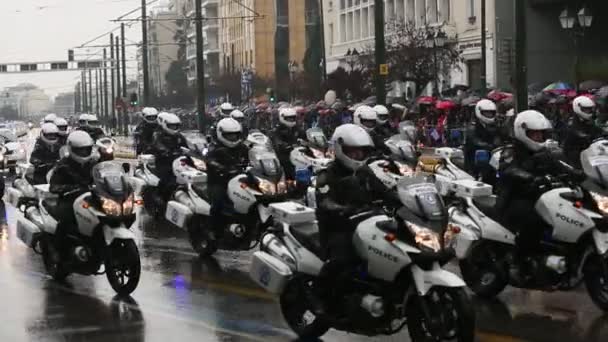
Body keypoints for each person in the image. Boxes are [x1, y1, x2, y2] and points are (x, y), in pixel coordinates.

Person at [313, 124, 393, 314]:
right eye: (353, 152)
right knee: (342, 259)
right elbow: (324, 201)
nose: (358, 156)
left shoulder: (365, 172)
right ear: (340, 149)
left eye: (361, 152)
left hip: (367, 223)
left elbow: (385, 191)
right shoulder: (327, 174)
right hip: (338, 228)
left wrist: (405, 201)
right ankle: (320, 296)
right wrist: (341, 208)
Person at [496, 110, 584, 282]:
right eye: (534, 134)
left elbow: (562, 166)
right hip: (514, 199)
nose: (538, 138)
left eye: (540, 134)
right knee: (533, 220)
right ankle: (519, 261)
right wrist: (529, 177)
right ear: (523, 132)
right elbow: (508, 170)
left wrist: (579, 174)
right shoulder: (511, 151)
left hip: (540, 197)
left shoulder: (546, 152)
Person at [49, 131, 97, 254]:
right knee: (66, 220)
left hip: (91, 198)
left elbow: (103, 175)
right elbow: (53, 187)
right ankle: (58, 251)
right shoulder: (63, 165)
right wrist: (71, 188)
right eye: (80, 150)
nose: (84, 153)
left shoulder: (93, 163)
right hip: (69, 200)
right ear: (71, 149)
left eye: (86, 150)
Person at [205, 118, 249, 230]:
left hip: (240, 180)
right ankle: (213, 229)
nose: (233, 138)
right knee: (218, 200)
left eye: (235, 135)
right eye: (229, 135)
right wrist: (222, 168)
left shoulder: (242, 147)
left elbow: (252, 157)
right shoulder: (214, 148)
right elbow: (210, 161)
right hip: (219, 181)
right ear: (221, 134)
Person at [149, 113, 189, 204]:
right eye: (172, 126)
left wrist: (194, 152)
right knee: (168, 178)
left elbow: (187, 146)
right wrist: (165, 151)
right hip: (164, 162)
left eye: (176, 126)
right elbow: (157, 144)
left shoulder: (179, 136)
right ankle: (160, 196)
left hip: (179, 162)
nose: (174, 128)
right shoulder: (158, 135)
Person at [464, 99, 504, 184]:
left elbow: (501, 136)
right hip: (474, 160)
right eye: (486, 113)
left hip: (493, 157)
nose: (489, 115)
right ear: (479, 112)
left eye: (491, 113)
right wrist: (490, 145)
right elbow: (475, 141)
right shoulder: (473, 126)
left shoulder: (495, 125)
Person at [563, 96, 602, 168]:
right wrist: (582, 136)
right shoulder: (571, 123)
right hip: (579, 160)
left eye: (590, 109)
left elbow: (597, 131)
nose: (589, 111)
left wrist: (603, 133)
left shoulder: (590, 121)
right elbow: (567, 148)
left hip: (594, 157)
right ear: (578, 108)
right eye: (586, 109)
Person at [271, 107, 304, 180]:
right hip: (285, 155)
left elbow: (304, 136)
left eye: (293, 118)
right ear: (282, 118)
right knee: (287, 166)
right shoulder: (278, 129)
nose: (291, 120)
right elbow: (277, 141)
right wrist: (285, 145)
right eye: (289, 118)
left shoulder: (297, 128)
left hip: (298, 154)